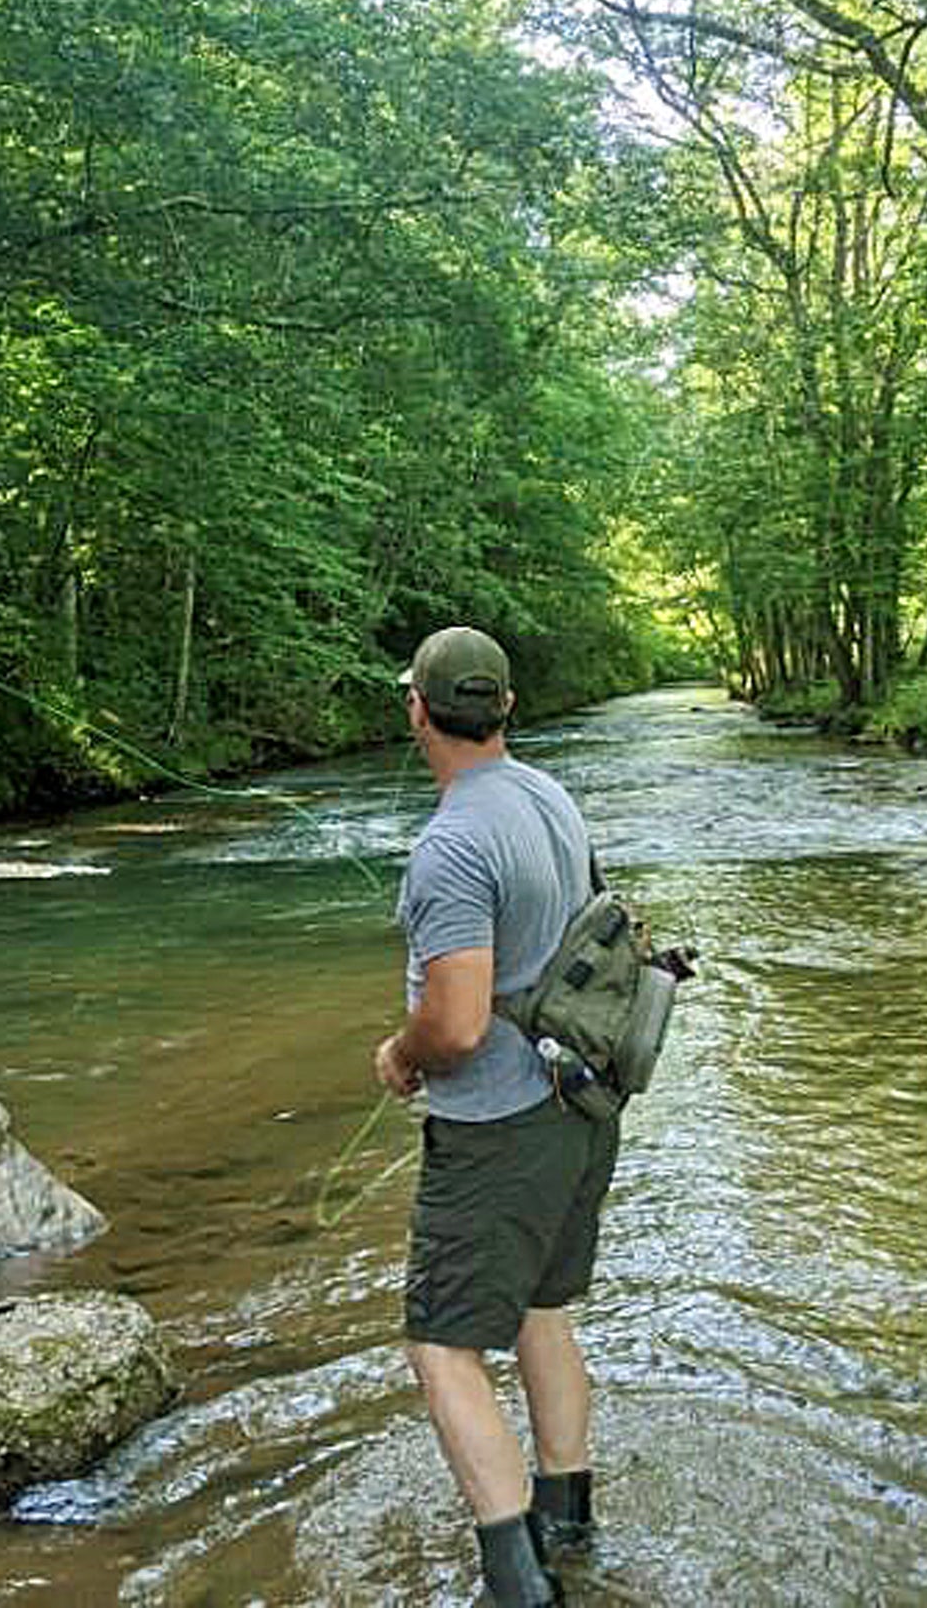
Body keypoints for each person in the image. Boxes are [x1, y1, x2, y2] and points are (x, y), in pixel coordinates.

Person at [375, 625, 619, 1608]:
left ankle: (519, 1581)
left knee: (441, 1341)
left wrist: (399, 1056)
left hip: (497, 1131)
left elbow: (459, 1022)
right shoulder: (550, 796)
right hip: (580, 1110)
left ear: (418, 711)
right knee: (540, 1311)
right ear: (506, 708)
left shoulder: (453, 842)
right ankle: (569, 1525)